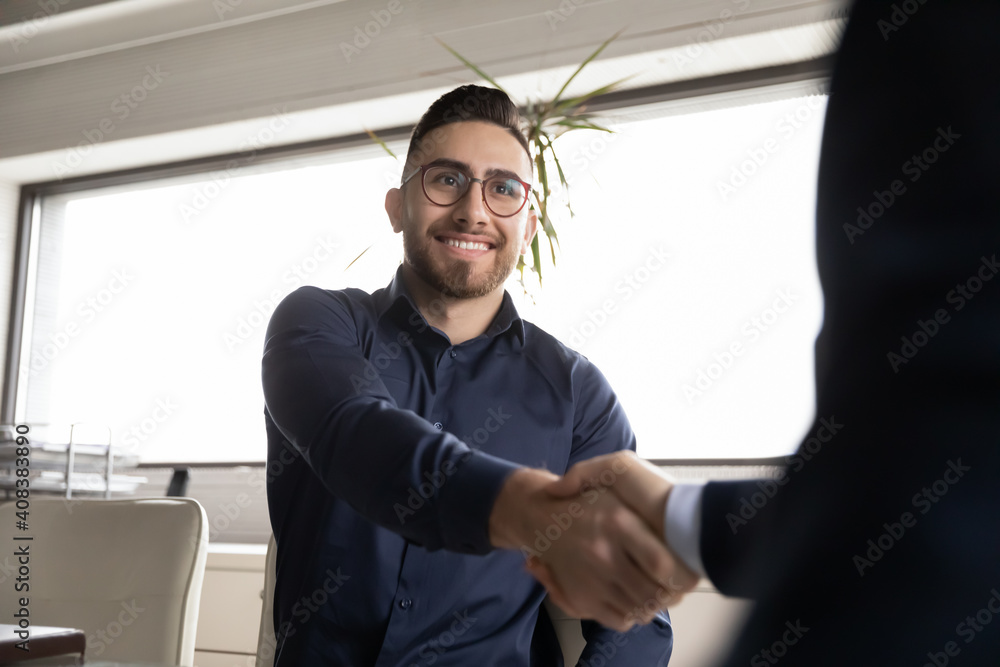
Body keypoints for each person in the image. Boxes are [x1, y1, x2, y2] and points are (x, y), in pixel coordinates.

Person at [530, 0, 1000, 664]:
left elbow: (940, 434)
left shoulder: (573, 385)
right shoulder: (335, 333)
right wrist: (685, 521)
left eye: (507, 189)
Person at [261, 85, 677, 665]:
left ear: (528, 227)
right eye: (446, 179)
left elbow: (634, 620)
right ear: (396, 207)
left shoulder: (580, 395)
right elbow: (354, 434)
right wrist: (526, 507)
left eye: (502, 188)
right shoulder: (317, 322)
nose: (474, 210)